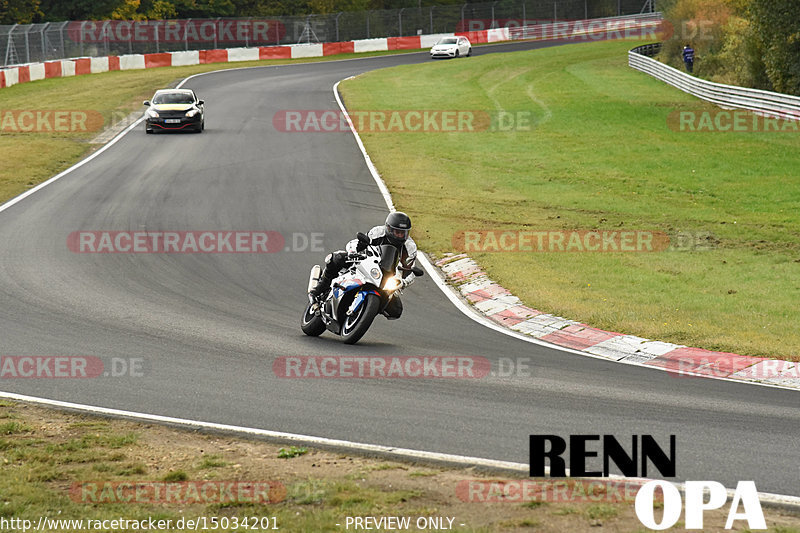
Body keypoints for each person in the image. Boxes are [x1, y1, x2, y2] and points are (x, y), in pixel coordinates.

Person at [309, 212, 418, 316]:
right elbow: (357, 242)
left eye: (403, 233)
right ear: (388, 228)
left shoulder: (410, 247)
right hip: (366, 263)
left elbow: (411, 270)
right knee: (337, 258)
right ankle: (319, 287)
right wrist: (353, 252)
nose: (399, 235)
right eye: (396, 232)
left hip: (386, 277)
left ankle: (366, 310)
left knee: (396, 310)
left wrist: (403, 282)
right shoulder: (378, 232)